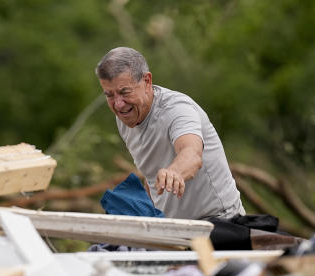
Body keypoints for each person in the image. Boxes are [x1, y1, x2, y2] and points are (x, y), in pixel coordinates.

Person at [95, 46, 246, 222]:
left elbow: (192, 153)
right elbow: (152, 176)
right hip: (174, 228)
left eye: (124, 92)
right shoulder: (125, 117)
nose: (118, 104)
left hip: (221, 222)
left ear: (147, 81)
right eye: (109, 95)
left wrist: (174, 172)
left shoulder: (177, 109)